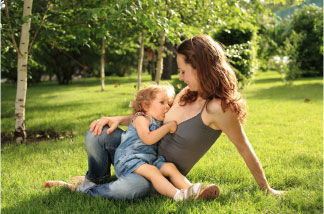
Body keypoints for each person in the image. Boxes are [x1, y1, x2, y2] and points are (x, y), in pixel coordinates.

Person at [48, 34, 285, 200]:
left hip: (160, 171)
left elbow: (244, 148)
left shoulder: (219, 109)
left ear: (200, 68)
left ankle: (81, 189)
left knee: (134, 188)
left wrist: (267, 189)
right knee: (97, 134)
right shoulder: (187, 93)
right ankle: (95, 180)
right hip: (139, 151)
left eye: (183, 70)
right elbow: (152, 121)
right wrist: (118, 119)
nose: (180, 77)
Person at [45, 84, 220, 200]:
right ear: (144, 106)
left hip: (147, 158)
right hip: (130, 158)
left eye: (169, 103)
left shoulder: (158, 120)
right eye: (162, 103)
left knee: (169, 167)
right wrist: (167, 128)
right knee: (152, 171)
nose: (167, 107)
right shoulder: (141, 118)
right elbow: (148, 138)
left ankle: (195, 191)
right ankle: (178, 196)